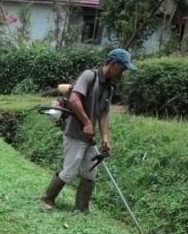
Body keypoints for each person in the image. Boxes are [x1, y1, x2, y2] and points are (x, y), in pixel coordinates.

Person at [39, 48, 136, 214]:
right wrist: (86, 122)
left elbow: (104, 113)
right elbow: (75, 99)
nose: (123, 72)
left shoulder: (109, 87)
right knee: (70, 171)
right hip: (75, 132)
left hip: (89, 136)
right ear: (112, 64)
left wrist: (105, 137)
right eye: (123, 68)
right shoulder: (89, 76)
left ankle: (81, 208)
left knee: (90, 171)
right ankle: (47, 199)